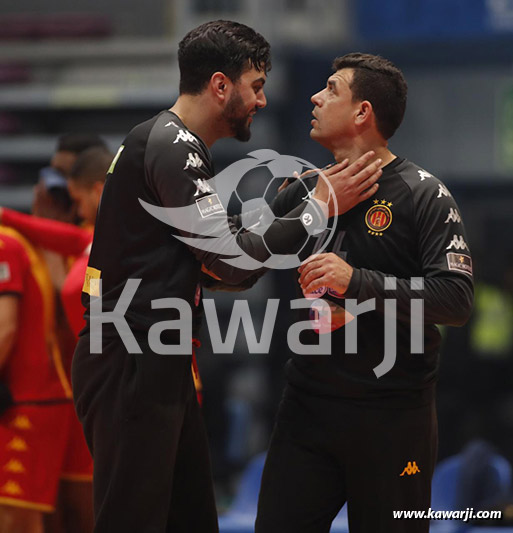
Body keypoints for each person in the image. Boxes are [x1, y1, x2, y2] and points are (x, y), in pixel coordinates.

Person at [71, 21, 383, 532]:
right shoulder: (173, 146)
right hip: (131, 356)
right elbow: (231, 262)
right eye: (255, 86)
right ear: (221, 85)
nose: (262, 100)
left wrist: (297, 202)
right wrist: (318, 207)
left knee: (191, 521)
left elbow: (228, 269)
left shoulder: (175, 145)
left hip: (155, 357)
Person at [253, 53, 474, 533]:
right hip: (307, 405)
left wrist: (356, 284)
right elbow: (243, 262)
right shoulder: (304, 190)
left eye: (331, 89)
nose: (315, 97)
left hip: (393, 414)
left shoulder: (424, 194)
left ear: (362, 112)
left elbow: (455, 300)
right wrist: (312, 208)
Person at [0, 224, 72, 532]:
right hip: (24, 397)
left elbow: (5, 329)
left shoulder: (4, 244)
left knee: (14, 516)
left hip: (28, 399)